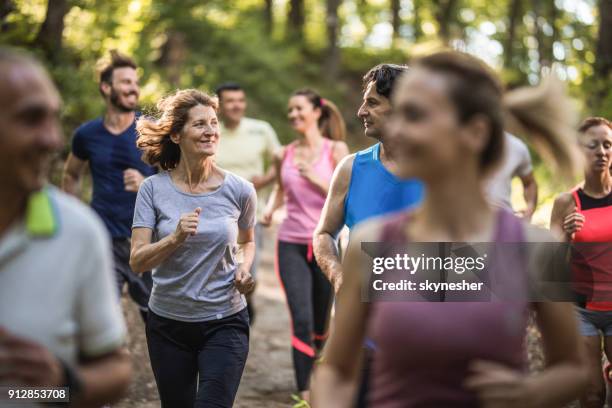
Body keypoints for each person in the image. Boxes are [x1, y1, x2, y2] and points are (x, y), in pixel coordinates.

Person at [312, 51, 588, 407]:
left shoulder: (535, 248)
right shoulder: (373, 240)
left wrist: (532, 393)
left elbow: (575, 369)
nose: (396, 129)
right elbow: (336, 370)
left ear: (473, 133)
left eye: (415, 116)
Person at [0, 47, 131, 407]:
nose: (54, 140)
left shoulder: (77, 231)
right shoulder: (91, 135)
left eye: (53, 119)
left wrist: (57, 385)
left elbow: (115, 369)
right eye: (31, 119)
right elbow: (72, 173)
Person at [129, 89, 256, 408]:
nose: (211, 130)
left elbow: (247, 240)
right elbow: (137, 262)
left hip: (225, 320)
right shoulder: (153, 190)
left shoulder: (240, 190)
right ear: (176, 133)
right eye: (200, 124)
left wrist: (244, 267)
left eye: (214, 123)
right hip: (168, 325)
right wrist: (174, 239)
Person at [313, 63, 423, 408]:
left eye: (373, 103)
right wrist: (338, 274)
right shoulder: (351, 168)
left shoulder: (441, 173)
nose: (361, 111)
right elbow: (323, 234)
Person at [261, 89, 349, 401]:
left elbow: (344, 196)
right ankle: (306, 391)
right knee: (301, 318)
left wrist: (315, 178)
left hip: (326, 246)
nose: (293, 115)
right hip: (290, 244)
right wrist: (271, 208)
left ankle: (318, 361)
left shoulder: (336, 151)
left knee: (321, 325)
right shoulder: (283, 153)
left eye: (299, 109)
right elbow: (281, 190)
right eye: (290, 110)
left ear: (316, 112)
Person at [62, 51, 156, 321]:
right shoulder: (87, 135)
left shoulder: (149, 131)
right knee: (104, 317)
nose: (133, 88)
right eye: (126, 82)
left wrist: (146, 184)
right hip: (105, 240)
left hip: (147, 240)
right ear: (107, 87)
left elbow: (177, 181)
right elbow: (70, 175)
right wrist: (76, 218)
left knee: (158, 322)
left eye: (135, 82)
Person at [550, 116, 612, 407]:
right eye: (593, 145)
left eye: (607, 145)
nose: (601, 151)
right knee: (592, 394)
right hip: (581, 310)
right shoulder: (566, 202)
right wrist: (566, 236)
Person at [215, 81, 281, 324]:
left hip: (251, 214)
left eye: (240, 100)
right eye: (230, 101)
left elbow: (281, 161)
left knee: (248, 271)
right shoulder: (211, 131)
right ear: (219, 105)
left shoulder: (261, 130)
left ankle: (247, 302)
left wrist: (262, 182)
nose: (236, 106)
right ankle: (224, 319)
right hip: (215, 214)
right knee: (217, 271)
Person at [484, 132, 538, 220]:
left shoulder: (516, 147)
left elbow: (529, 183)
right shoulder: (458, 140)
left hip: (503, 222)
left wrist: (529, 209)